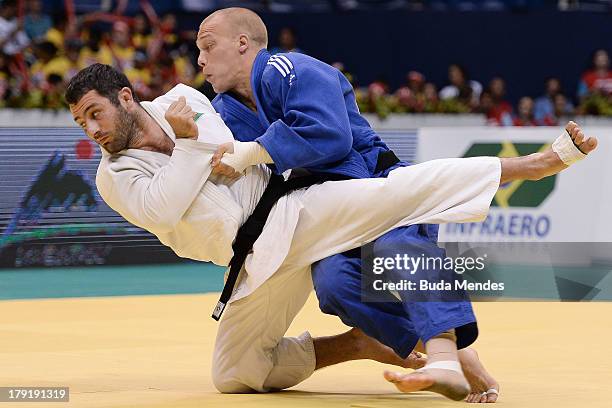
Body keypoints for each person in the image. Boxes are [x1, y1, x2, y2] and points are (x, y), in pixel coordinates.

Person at [66, 63, 596, 401]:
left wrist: (190, 138)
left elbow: (238, 155)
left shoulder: (191, 102)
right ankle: (360, 343)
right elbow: (164, 206)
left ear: (126, 97)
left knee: (396, 193)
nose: (92, 130)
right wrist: (187, 145)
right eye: (81, 123)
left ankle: (532, 163)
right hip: (252, 262)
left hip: (294, 213)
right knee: (234, 374)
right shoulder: (113, 177)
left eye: (95, 113)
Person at [200, 7, 495, 401]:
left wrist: (253, 151)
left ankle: (446, 353)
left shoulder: (288, 69)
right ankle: (443, 353)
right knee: (335, 287)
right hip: (323, 212)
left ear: (242, 44)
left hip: (374, 184)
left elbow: (330, 136)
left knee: (397, 250)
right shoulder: (222, 112)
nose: (200, 59)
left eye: (207, 45)